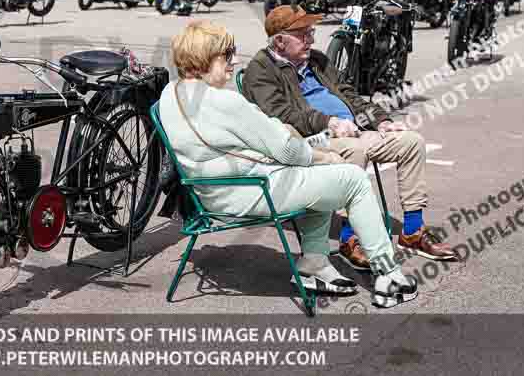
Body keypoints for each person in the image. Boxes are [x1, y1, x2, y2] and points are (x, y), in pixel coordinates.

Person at [159, 19, 418, 308]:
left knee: (324, 176)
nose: (233, 62)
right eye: (226, 55)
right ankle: (389, 275)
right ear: (204, 58)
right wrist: (321, 156)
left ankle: (315, 266)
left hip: (210, 193)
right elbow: (286, 150)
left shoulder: (170, 94)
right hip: (250, 192)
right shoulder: (223, 102)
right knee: (352, 179)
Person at [241, 6, 458, 271]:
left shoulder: (317, 61)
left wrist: (382, 120)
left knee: (411, 142)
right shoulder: (260, 69)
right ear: (279, 40)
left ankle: (412, 232)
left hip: (352, 130)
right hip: (311, 141)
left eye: (311, 32)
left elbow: (349, 94)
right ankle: (349, 238)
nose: (311, 40)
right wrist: (328, 122)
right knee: (354, 150)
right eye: (303, 35)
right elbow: (280, 113)